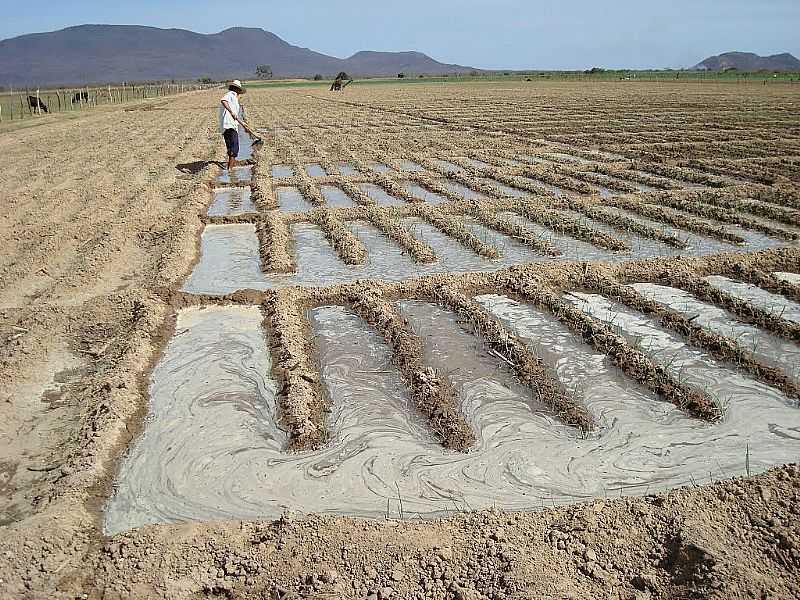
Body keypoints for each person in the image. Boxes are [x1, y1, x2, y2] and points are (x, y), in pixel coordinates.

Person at [219, 80, 260, 171]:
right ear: (236, 89)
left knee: (231, 147)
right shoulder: (231, 95)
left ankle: (229, 168)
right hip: (229, 125)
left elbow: (235, 115)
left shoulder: (234, 97)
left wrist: (243, 124)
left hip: (228, 125)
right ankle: (230, 169)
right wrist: (231, 112)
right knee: (235, 147)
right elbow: (223, 101)